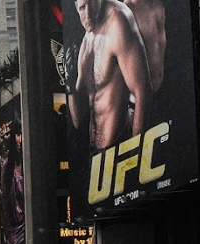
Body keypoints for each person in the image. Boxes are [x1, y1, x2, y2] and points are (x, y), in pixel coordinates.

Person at [66, 0, 153, 151]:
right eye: (82, 8)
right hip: (94, 152)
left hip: (120, 146)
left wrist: (136, 152)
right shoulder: (87, 39)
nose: (88, 15)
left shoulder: (118, 21)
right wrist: (70, 86)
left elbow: (143, 92)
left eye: (91, 4)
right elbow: (78, 120)